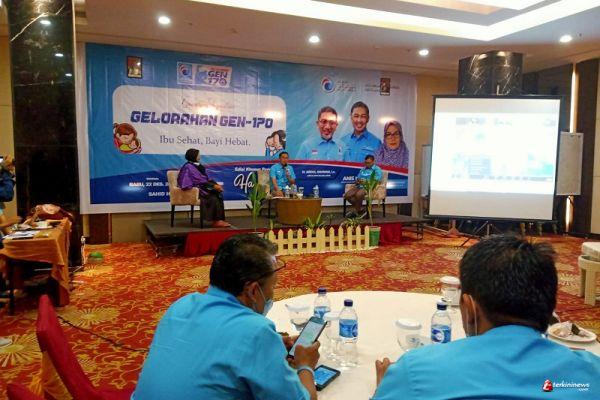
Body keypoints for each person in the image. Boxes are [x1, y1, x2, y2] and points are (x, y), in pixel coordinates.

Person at [373, 235, 600, 399]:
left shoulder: (416, 372)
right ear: (550, 308)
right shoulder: (592, 373)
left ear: (469, 308)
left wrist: (383, 389)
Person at [133, 234, 320, 400]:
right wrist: (305, 365)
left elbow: (211, 344)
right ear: (253, 291)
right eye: (272, 286)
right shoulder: (256, 330)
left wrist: (271, 344)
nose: (272, 294)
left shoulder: (181, 305)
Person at [177, 148, 230, 228]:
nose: (200, 156)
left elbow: (206, 179)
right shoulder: (188, 167)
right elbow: (198, 180)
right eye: (198, 155)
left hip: (201, 186)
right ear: (193, 156)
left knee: (218, 194)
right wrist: (213, 186)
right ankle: (216, 221)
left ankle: (219, 220)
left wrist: (215, 186)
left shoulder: (197, 165)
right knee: (213, 198)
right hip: (194, 190)